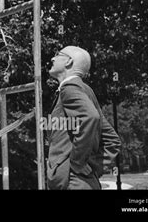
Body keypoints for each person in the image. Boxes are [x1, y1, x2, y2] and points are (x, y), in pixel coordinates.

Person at [46, 46, 121, 190]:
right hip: (83, 182)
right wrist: (93, 167)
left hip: (72, 182)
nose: (52, 58)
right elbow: (112, 139)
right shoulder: (84, 89)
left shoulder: (69, 88)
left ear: (69, 62)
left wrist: (77, 164)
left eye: (58, 54)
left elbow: (90, 117)